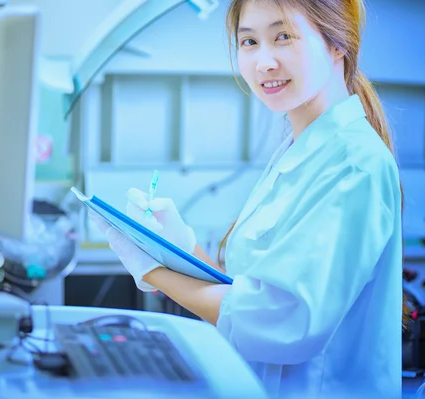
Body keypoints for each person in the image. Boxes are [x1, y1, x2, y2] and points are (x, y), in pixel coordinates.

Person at [92, 0, 404, 397]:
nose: (264, 62)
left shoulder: (355, 164)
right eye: (249, 41)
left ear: (337, 42)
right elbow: (248, 294)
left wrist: (154, 272)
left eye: (283, 37)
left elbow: (286, 322)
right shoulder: (298, 150)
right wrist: (180, 248)